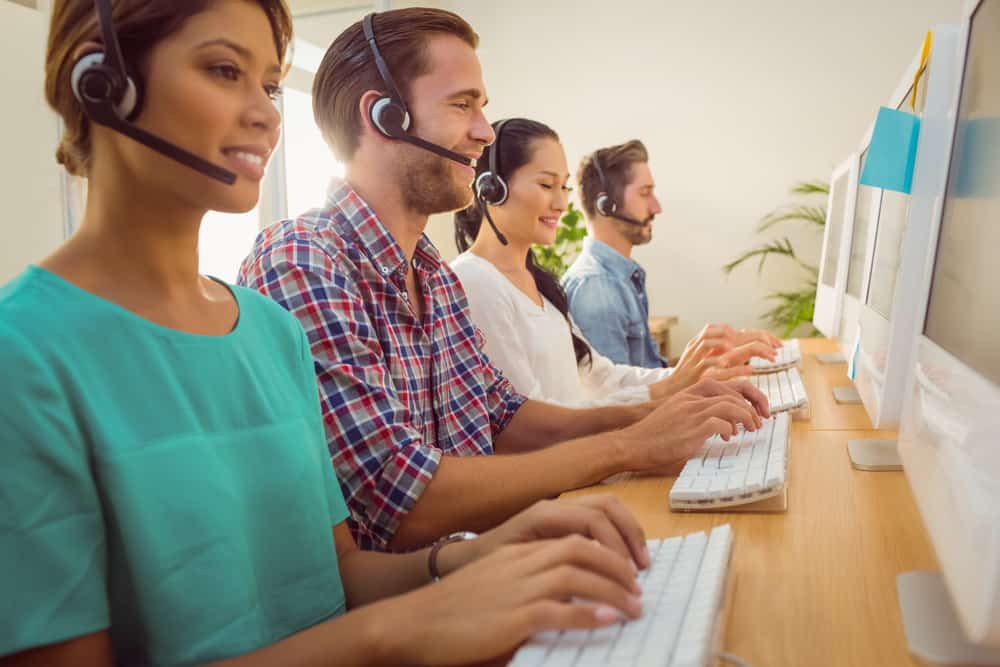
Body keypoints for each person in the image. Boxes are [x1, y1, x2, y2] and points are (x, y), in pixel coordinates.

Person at [0, 2, 668, 664]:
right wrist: (412, 622)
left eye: (267, 84)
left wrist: (492, 551)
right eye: (224, 69)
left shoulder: (267, 332)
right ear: (101, 80)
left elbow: (339, 578)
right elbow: (378, 578)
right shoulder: (23, 353)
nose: (267, 115)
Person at [238, 8, 768, 553]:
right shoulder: (306, 260)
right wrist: (629, 445)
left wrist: (657, 413)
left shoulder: (433, 276)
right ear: (384, 117)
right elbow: (400, 499)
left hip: (486, 567)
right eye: (462, 104)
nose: (483, 132)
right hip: (422, 604)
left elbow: (500, 415)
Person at [452, 118, 776, 409]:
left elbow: (603, 377)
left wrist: (693, 375)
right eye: (547, 185)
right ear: (492, 189)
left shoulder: (537, 281)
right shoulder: (476, 281)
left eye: (563, 186)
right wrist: (671, 389)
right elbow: (531, 423)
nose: (562, 203)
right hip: (569, 468)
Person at [562, 139, 783, 368]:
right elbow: (618, 399)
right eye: (645, 193)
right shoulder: (598, 288)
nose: (656, 207)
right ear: (606, 205)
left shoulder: (619, 278)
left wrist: (720, 355)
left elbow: (649, 378)